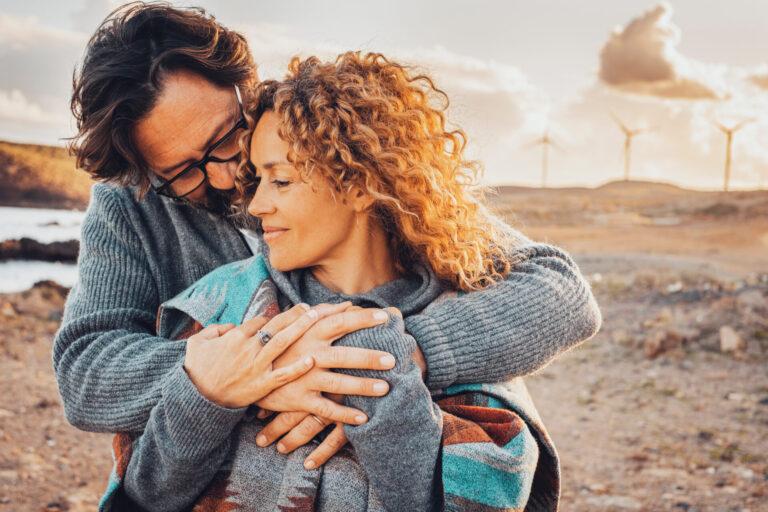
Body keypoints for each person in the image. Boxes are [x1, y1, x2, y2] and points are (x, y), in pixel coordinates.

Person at [53, 2, 600, 500]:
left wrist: (386, 358)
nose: (224, 177)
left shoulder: (336, 156)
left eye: (225, 139)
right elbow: (85, 370)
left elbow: (561, 292)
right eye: (183, 172)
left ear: (246, 88)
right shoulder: (130, 203)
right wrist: (261, 367)